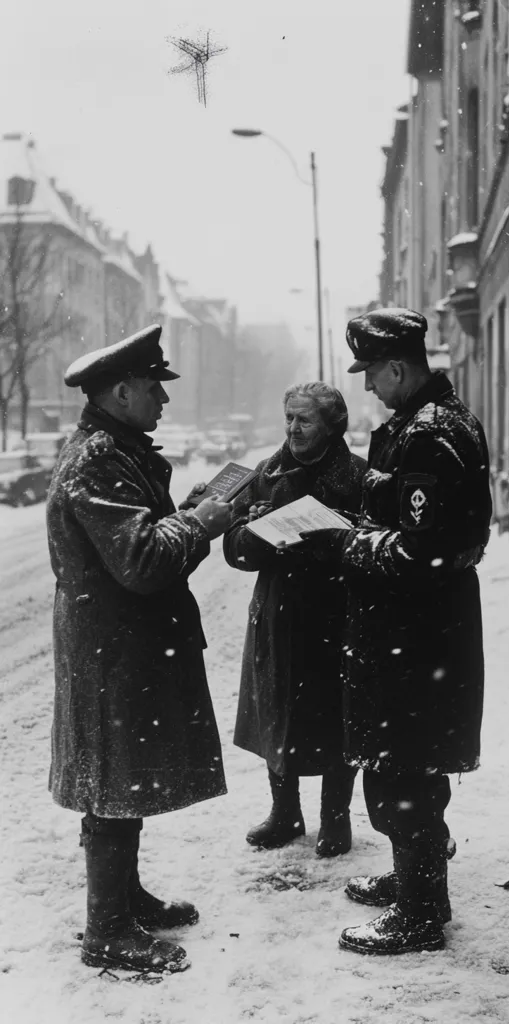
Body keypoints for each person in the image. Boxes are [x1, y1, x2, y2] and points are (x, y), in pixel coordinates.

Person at [300, 309, 492, 955]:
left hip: (414, 642)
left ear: (400, 368)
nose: (368, 389)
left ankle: (418, 914)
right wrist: (376, 497)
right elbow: (422, 512)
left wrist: (345, 544)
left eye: (373, 376)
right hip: (421, 638)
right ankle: (418, 884)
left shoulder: (429, 434)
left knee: (400, 773)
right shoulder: (433, 423)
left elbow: (423, 553)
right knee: (406, 768)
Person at [46, 324, 232, 975]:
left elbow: (145, 537)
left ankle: (124, 898)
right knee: (111, 784)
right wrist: (201, 520)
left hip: (122, 647)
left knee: (121, 780)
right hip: (111, 653)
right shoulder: (98, 459)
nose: (164, 400)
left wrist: (193, 512)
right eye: (154, 388)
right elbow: (142, 559)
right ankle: (107, 930)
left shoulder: (116, 452)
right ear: (122, 391)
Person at [223, 382, 366, 857]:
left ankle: (335, 817)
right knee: (277, 708)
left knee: (335, 714)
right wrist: (258, 536)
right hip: (278, 612)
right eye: (288, 417)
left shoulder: (359, 477)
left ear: (332, 425)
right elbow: (234, 549)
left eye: (304, 420)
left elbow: (369, 548)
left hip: (334, 613)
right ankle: (285, 812)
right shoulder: (266, 473)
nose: (293, 428)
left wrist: (329, 538)